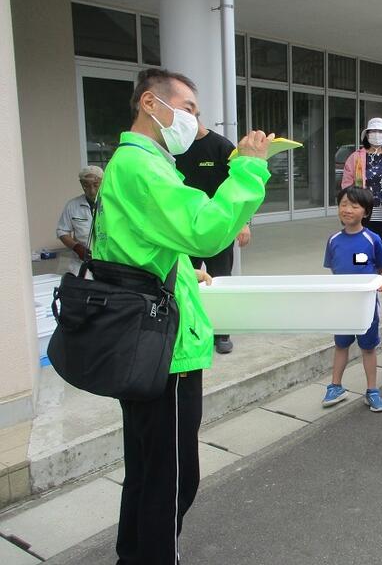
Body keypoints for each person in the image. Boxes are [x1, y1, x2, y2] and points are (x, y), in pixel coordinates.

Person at [93, 67, 274, 564]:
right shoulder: (144, 166)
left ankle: (133, 556)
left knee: (146, 468)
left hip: (141, 342)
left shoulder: (131, 162)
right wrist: (250, 169)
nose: (195, 122)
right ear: (151, 104)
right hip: (163, 350)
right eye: (188, 109)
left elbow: (128, 247)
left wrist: (180, 270)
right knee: (172, 478)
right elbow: (204, 229)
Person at [175, 119, 252, 354]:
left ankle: (222, 332)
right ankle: (192, 328)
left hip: (219, 226)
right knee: (187, 280)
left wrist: (242, 222)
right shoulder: (177, 148)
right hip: (188, 228)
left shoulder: (220, 146)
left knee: (220, 279)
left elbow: (239, 184)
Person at [321, 187, 382, 412]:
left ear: (366, 212)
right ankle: (335, 387)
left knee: (368, 347)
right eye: (343, 204)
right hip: (343, 304)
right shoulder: (333, 240)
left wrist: (371, 282)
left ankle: (372, 390)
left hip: (365, 305)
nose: (347, 209)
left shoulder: (372, 239)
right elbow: (335, 268)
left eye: (354, 205)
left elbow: (381, 268)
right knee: (341, 345)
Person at [340, 117, 382, 244]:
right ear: (367, 135)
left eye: (381, 132)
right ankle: (362, 260)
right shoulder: (355, 158)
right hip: (362, 212)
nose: (377, 134)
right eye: (373, 131)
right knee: (362, 246)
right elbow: (347, 186)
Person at [56, 166, 103, 274]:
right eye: (86, 186)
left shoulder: (111, 205)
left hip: (106, 262)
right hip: (81, 263)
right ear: (81, 184)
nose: (92, 191)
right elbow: (62, 231)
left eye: (96, 185)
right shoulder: (72, 205)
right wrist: (77, 247)